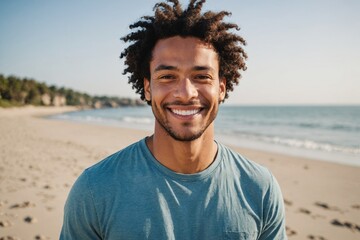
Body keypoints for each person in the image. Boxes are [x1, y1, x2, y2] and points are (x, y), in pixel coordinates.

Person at [60, 0, 287, 239]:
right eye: (167, 76)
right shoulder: (95, 189)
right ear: (147, 88)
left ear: (221, 88)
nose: (186, 93)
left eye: (201, 76)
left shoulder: (260, 189)